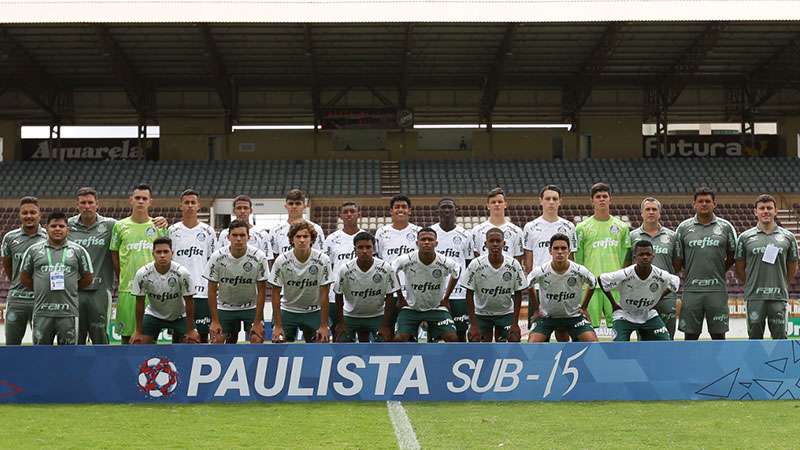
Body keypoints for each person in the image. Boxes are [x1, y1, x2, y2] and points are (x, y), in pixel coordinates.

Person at [20, 212, 93, 345]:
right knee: (41, 356)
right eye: (54, 226)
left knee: (69, 356)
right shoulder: (33, 251)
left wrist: (72, 287)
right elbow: (24, 277)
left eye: (61, 226)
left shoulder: (79, 251)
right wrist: (39, 287)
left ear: (67, 229)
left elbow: (88, 278)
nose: (57, 229)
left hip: (68, 313)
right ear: (46, 228)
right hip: (42, 313)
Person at [674, 187, 737, 340]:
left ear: (714, 204)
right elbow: (677, 259)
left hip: (717, 290)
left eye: (708, 201)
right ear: (693, 204)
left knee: (718, 335)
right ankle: (690, 364)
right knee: (690, 335)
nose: (704, 204)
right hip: (692, 290)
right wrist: (691, 270)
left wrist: (720, 269)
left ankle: (720, 365)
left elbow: (732, 255)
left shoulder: (726, 227)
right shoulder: (683, 228)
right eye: (700, 201)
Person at [110, 184, 169, 344]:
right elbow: (114, 253)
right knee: (127, 338)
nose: (140, 201)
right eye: (137, 198)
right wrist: (122, 276)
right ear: (131, 200)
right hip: (127, 289)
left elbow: (167, 255)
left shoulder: (159, 226)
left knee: (150, 339)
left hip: (153, 290)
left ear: (150, 202)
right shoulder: (119, 226)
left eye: (144, 198)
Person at [734, 194, 798, 339]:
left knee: (780, 338)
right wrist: (750, 284)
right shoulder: (745, 237)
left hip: (778, 296)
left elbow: (793, 266)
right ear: (755, 212)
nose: (766, 211)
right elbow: (739, 268)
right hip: (754, 297)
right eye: (762, 208)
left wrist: (782, 283)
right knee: (754, 339)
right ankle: (755, 363)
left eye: (769, 208)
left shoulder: (788, 237)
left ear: (775, 211)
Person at [575, 182, 631, 334]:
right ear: (592, 201)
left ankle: (616, 356)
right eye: (598, 197)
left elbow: (626, 259)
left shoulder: (622, 227)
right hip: (590, 286)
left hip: (615, 286)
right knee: (588, 329)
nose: (602, 199)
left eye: (605, 196)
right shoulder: (581, 228)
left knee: (618, 328)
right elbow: (578, 260)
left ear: (610, 199)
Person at [596, 240, 680, 342]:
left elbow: (675, 282)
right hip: (624, 315)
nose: (645, 257)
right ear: (635, 257)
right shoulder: (625, 274)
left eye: (648, 254)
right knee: (618, 349)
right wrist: (613, 304)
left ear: (653, 256)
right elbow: (601, 279)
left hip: (648, 314)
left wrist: (658, 297)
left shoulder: (660, 275)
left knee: (665, 342)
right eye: (641, 254)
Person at [522, 184, 576, 340]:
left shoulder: (569, 226)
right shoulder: (530, 227)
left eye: (555, 199)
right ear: (541, 201)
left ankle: (565, 364)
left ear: (560, 202)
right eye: (548, 199)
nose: (551, 202)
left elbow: (571, 260)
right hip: (539, 289)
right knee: (539, 335)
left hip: (562, 289)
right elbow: (529, 263)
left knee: (563, 334)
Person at [205, 220, 269, 344]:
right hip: (225, 307)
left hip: (251, 307)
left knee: (257, 339)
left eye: (242, 235)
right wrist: (214, 320)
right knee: (217, 340)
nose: (238, 239)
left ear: (248, 237)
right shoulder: (217, 257)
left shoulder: (259, 257)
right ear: (228, 237)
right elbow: (212, 290)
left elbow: (262, 290)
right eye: (234, 235)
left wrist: (257, 322)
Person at [391, 227, 461, 342]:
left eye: (430, 239)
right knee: (399, 338)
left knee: (452, 337)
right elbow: (392, 270)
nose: (427, 242)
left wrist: (446, 297)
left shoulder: (443, 262)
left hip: (436, 308)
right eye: (423, 239)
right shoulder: (407, 259)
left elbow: (457, 272)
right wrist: (399, 296)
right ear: (417, 243)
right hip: (411, 308)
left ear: (436, 243)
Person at [269, 221, 333, 343]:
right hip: (288, 310)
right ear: (292, 240)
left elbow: (325, 294)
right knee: (279, 341)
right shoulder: (281, 261)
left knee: (322, 341)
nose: (302, 240)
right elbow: (275, 294)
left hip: (313, 311)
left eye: (305, 236)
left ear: (312, 239)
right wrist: (278, 326)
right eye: (298, 236)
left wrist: (324, 326)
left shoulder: (323, 260)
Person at [68, 187, 117, 344]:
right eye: (83, 203)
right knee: (75, 338)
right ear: (77, 205)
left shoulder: (111, 226)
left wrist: (157, 222)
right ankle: (75, 369)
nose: (87, 206)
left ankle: (104, 369)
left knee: (100, 336)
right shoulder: (67, 226)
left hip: (101, 292)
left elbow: (134, 226)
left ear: (98, 204)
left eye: (90, 202)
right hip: (74, 292)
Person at [527, 233, 598, 343]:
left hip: (574, 317)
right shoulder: (540, 271)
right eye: (556, 248)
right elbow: (528, 285)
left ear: (569, 251)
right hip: (547, 317)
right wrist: (536, 309)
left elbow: (593, 283)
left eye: (563, 248)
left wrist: (584, 307)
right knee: (532, 344)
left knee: (592, 342)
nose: (560, 251)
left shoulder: (579, 271)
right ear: (550, 251)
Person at [168, 189, 217, 342]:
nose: (189, 205)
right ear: (180, 206)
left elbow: (213, 262)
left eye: (193, 203)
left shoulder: (208, 231)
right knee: (178, 336)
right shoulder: (172, 230)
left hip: (201, 292)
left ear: (198, 206)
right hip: (177, 293)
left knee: (201, 336)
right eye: (186, 203)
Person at [130, 237, 199, 344]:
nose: (162, 255)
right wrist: (138, 331)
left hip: (179, 316)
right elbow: (139, 303)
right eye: (158, 252)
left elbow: (189, 301)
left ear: (172, 253)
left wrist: (190, 330)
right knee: (138, 342)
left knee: (192, 341)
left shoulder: (183, 273)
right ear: (153, 254)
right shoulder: (142, 274)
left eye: (166, 252)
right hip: (154, 315)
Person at [462, 227, 526, 342]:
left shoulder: (513, 264)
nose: (495, 244)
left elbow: (518, 293)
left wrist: (515, 323)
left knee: (514, 338)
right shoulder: (476, 264)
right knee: (476, 340)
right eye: (491, 241)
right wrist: (473, 324)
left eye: (498, 241)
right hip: (481, 314)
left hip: (505, 314)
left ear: (504, 243)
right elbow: (469, 293)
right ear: (486, 244)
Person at [333, 231, 398, 342]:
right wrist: (341, 322)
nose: (364, 251)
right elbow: (338, 296)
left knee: (385, 341)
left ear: (374, 249)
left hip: (377, 315)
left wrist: (385, 325)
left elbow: (390, 297)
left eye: (368, 247)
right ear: (355, 250)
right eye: (360, 247)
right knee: (341, 341)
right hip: (351, 315)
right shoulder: (345, 269)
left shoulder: (385, 268)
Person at [629, 197, 679, 339]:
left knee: (668, 336)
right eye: (647, 209)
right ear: (641, 213)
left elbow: (676, 264)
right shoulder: (632, 236)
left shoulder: (672, 236)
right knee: (643, 337)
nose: (651, 212)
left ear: (659, 213)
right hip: (641, 295)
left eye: (654, 209)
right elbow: (628, 263)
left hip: (666, 294)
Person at [1, 196, 47, 345]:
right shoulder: (10, 238)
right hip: (17, 300)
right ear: (19, 215)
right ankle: (11, 370)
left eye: (33, 212)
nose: (29, 216)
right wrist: (18, 282)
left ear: (40, 215)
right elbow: (8, 267)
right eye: (25, 213)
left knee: (42, 346)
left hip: (41, 300)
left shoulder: (49, 237)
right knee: (12, 345)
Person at [431, 198, 473, 341]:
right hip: (435, 292)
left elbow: (468, 265)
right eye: (443, 207)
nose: (447, 210)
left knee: (460, 333)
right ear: (438, 211)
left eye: (450, 207)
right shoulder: (430, 233)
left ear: (456, 210)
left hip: (459, 294)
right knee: (435, 334)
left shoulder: (466, 235)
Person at [323, 202, 364, 332]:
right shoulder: (331, 239)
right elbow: (327, 268)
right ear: (341, 215)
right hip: (337, 295)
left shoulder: (367, 237)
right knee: (339, 333)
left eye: (352, 211)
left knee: (364, 334)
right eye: (345, 212)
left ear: (359, 214)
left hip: (363, 293)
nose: (349, 214)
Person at [470, 187, 524, 263]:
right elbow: (475, 257)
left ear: (505, 204)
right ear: (488, 205)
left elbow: (518, 258)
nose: (497, 204)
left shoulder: (517, 231)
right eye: (493, 202)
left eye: (500, 202)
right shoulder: (476, 231)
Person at [270, 189, 324, 258]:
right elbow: (274, 258)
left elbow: (320, 256)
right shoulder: (275, 231)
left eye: (298, 203)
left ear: (304, 206)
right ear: (286, 206)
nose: (294, 206)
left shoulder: (316, 229)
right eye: (291, 203)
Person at [218, 194, 272, 260]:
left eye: (245, 208)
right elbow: (218, 258)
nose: (242, 211)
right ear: (234, 211)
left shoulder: (262, 234)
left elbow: (267, 260)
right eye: (239, 208)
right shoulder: (224, 234)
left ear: (251, 210)